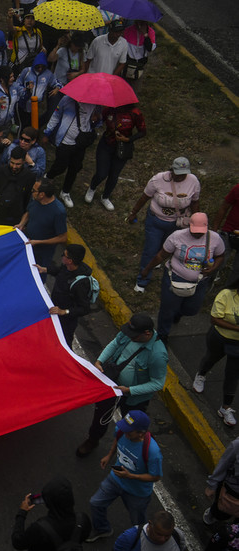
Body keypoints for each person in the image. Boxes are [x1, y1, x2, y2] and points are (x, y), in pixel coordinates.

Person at [76, 313, 167, 458]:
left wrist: (130, 390)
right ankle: (93, 440)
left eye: (134, 336)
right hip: (112, 385)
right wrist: (99, 361)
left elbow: (158, 383)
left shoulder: (157, 355)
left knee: (132, 423)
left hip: (133, 398)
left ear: (147, 333)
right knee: (101, 415)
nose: (130, 337)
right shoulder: (130, 332)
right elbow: (114, 344)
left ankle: (138, 449)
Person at [140, 213, 225, 341]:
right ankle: (163, 335)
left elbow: (220, 256)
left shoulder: (215, 239)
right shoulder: (177, 236)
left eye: (201, 232)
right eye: (194, 231)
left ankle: (178, 313)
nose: (197, 234)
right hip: (175, 278)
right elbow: (161, 255)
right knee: (167, 310)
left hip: (199, 282)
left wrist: (213, 268)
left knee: (192, 310)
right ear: (189, 226)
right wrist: (147, 269)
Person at [87, 410, 162, 543]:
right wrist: (109, 455)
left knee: (137, 522)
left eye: (129, 431)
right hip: (115, 479)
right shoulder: (121, 431)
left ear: (141, 433)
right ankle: (103, 529)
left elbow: (155, 477)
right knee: (96, 503)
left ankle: (140, 542)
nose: (124, 432)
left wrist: (131, 476)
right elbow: (117, 438)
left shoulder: (153, 451)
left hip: (137, 493)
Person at [129, 157, 201, 292]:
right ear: (172, 170)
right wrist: (133, 213)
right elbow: (144, 197)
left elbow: (195, 202)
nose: (180, 177)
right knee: (150, 250)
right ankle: (142, 280)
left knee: (166, 249)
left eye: (183, 174)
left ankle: (156, 263)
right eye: (177, 173)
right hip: (155, 221)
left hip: (177, 224)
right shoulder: (158, 179)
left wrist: (196, 221)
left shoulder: (193, 181)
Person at [85, 103, 146, 211]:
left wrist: (128, 139)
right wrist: (95, 119)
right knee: (101, 173)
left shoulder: (135, 113)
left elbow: (142, 131)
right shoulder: (110, 109)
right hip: (106, 145)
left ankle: (105, 197)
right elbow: (99, 122)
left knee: (114, 175)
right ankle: (92, 188)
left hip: (122, 148)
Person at [35, 244, 94, 346]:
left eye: (64, 255)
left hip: (66, 321)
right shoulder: (67, 267)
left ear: (70, 261)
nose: (61, 256)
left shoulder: (81, 284)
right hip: (54, 310)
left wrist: (64, 311)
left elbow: (84, 308)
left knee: (64, 343)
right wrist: (45, 269)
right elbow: (60, 271)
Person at [43, 96, 100, 202]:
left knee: (74, 168)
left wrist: (96, 120)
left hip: (81, 143)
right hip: (65, 141)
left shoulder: (95, 104)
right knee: (60, 166)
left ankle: (65, 192)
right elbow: (56, 116)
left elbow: (96, 124)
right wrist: (47, 132)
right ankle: (49, 176)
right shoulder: (66, 100)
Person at [13, 476, 90, 551]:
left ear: (49, 503)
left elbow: (18, 543)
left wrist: (22, 513)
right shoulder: (83, 520)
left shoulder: (38, 529)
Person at [17, 180, 67, 270]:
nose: (31, 192)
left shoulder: (58, 212)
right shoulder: (36, 199)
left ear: (42, 194)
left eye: (34, 190)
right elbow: (28, 212)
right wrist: (21, 224)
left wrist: (39, 242)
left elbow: (62, 238)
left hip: (42, 253)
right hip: (28, 242)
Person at [0, 147, 35, 226]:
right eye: (12, 163)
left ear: (23, 162)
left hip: (15, 218)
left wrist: (23, 223)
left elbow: (27, 199)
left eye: (18, 164)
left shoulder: (29, 177)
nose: (14, 166)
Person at [205, 436, 239, 527]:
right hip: (230, 492)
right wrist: (212, 486)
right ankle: (212, 516)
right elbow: (223, 465)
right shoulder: (237, 445)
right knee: (221, 512)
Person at [112, 510, 183, 551]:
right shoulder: (129, 538)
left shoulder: (178, 534)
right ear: (150, 524)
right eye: (159, 534)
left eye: (167, 536)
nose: (162, 539)